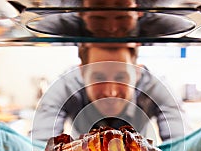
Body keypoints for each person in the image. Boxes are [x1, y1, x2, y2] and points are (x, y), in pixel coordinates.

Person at [32, 43, 190, 143]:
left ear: (137, 72)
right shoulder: (65, 86)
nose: (111, 91)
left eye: (121, 77)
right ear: (82, 72)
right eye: (99, 77)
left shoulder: (155, 87)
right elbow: (40, 145)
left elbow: (181, 144)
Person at [28, 0, 195, 38]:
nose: (111, 28)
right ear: (80, 13)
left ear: (139, 12)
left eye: (122, 16)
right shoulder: (55, 26)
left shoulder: (168, 27)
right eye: (98, 17)